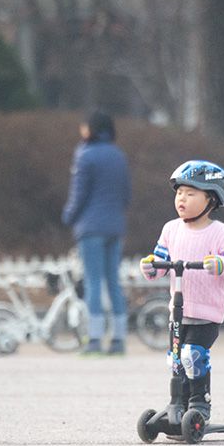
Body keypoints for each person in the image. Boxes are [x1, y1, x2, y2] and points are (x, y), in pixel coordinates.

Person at [138, 160, 224, 423]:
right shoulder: (171, 229)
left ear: (211, 199)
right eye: (179, 193)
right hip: (177, 312)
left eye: (190, 193)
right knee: (175, 360)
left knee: (192, 356)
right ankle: (179, 403)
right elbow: (160, 263)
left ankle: (200, 404)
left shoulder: (218, 232)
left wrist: (221, 264)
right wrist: (150, 266)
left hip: (206, 312)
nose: (182, 199)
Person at [62, 110, 132, 355]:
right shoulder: (119, 156)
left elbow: (78, 195)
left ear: (90, 129)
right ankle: (119, 339)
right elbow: (126, 195)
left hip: (91, 228)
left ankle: (94, 339)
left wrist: (68, 217)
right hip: (115, 226)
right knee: (113, 282)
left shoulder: (85, 155)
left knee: (92, 283)